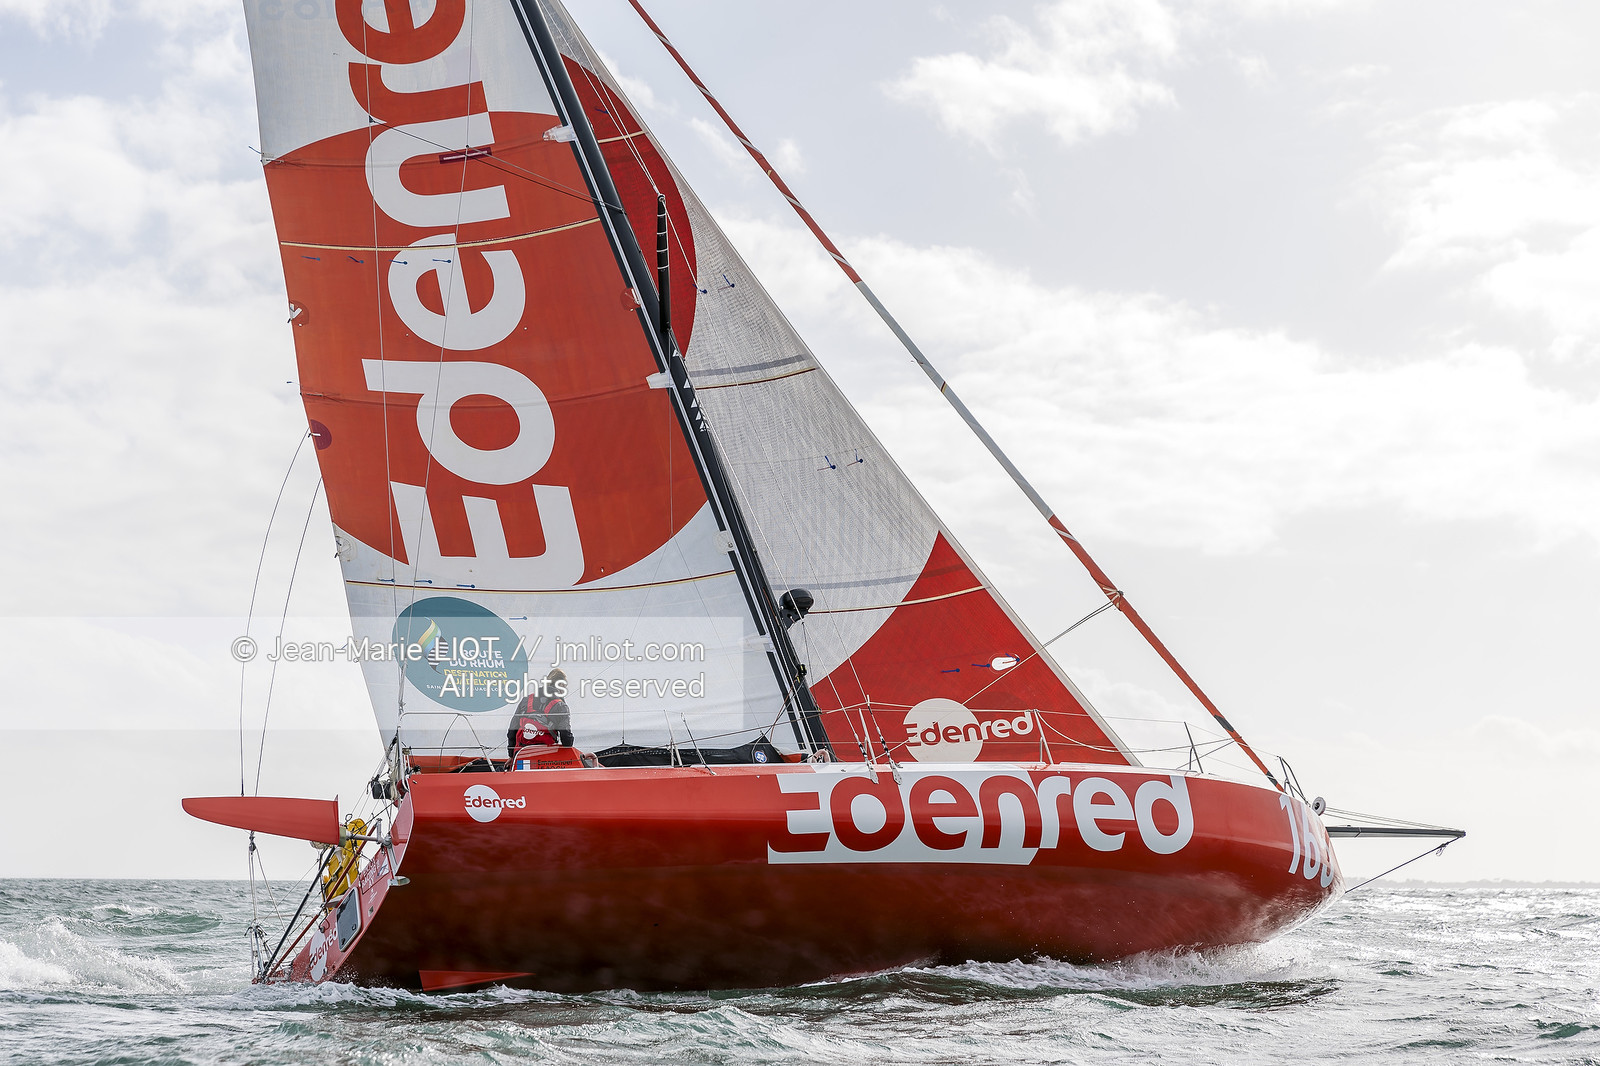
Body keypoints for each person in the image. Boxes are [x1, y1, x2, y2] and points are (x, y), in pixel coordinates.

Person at [506, 668, 573, 761]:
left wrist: (511, 756)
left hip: (521, 754)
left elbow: (512, 730)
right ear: (560, 684)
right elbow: (566, 738)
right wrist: (569, 743)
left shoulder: (527, 699)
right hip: (546, 757)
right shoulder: (560, 706)